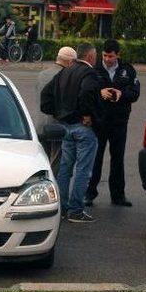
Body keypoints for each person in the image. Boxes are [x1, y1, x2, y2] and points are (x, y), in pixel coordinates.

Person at [50, 43, 102, 223]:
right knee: (83, 170)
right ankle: (76, 210)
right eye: (95, 56)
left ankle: (62, 208)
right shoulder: (89, 73)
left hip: (66, 125)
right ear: (90, 57)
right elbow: (87, 92)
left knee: (65, 168)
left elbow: (48, 94)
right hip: (83, 127)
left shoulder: (65, 71)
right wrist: (87, 114)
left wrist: (59, 113)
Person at [86, 39, 140, 207]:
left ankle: (118, 196)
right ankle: (89, 194)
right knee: (96, 158)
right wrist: (100, 92)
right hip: (99, 121)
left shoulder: (128, 70)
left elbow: (135, 92)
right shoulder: (94, 69)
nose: (107, 59)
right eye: (104, 55)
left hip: (119, 121)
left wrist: (121, 93)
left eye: (111, 56)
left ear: (118, 55)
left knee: (118, 159)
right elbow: (86, 90)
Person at [35, 46, 77, 174]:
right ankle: (54, 189)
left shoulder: (41, 74)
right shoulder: (66, 76)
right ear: (70, 62)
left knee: (43, 161)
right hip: (57, 126)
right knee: (57, 164)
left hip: (40, 125)